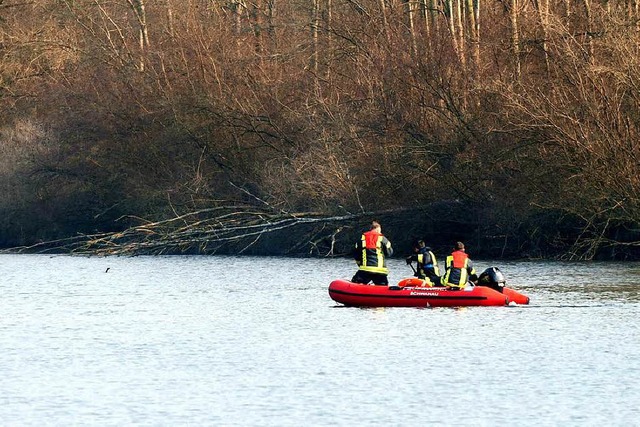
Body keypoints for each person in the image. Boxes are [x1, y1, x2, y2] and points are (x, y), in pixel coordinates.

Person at [351, 221, 393, 285]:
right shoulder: (382, 239)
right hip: (380, 270)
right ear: (378, 229)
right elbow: (389, 253)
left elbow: (356, 254)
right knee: (383, 287)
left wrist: (360, 264)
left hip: (365, 269)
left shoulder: (362, 239)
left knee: (354, 284)